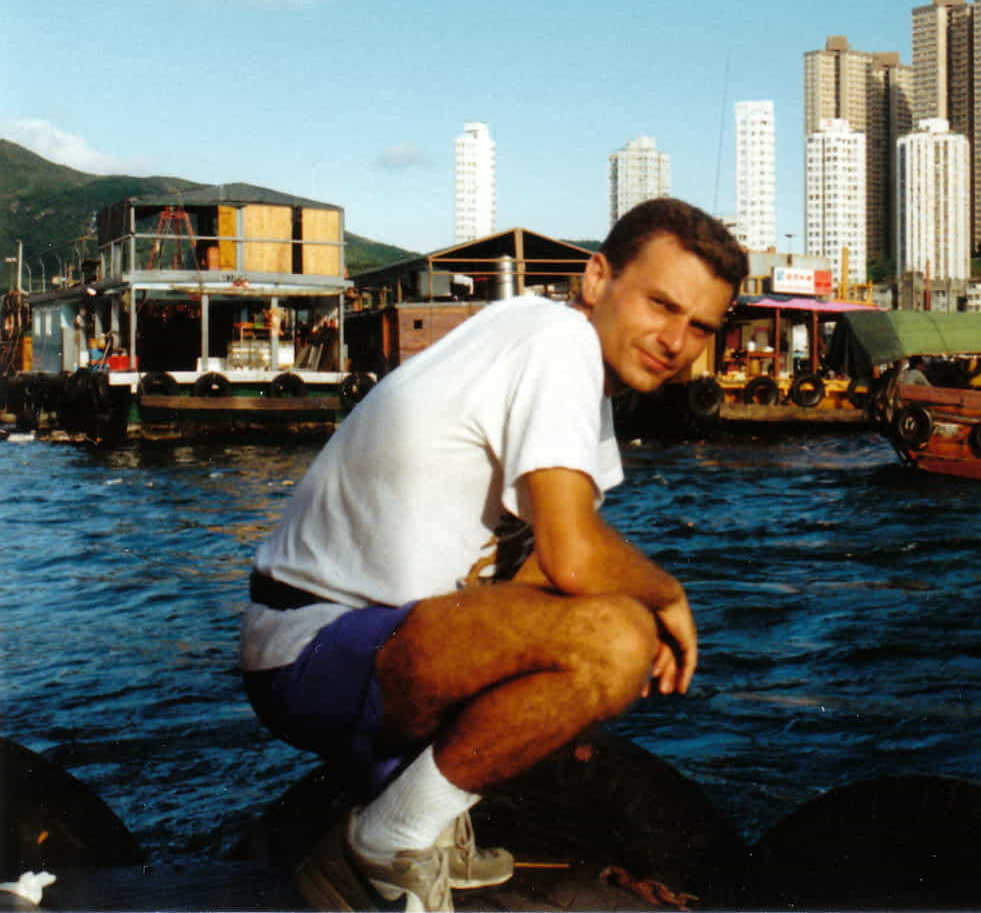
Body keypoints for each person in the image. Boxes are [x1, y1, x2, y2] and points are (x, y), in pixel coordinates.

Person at [238, 199, 748, 911]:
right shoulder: (557, 341)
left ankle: (419, 817)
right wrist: (664, 595)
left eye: (700, 326)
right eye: (662, 304)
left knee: (607, 626)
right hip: (316, 645)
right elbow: (573, 554)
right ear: (597, 279)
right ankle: (386, 840)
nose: (676, 339)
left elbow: (547, 567)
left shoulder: (558, 361)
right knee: (619, 637)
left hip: (363, 642)